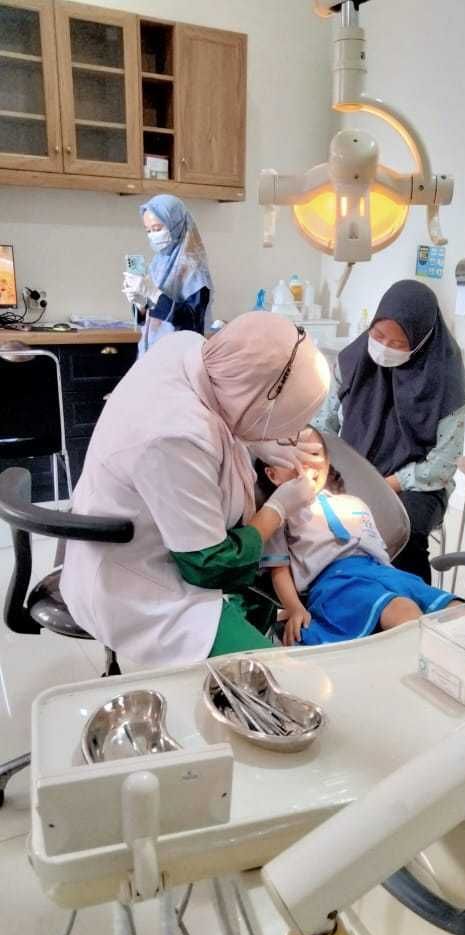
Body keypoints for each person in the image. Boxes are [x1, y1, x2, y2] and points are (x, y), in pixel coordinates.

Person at [60, 314, 330, 668]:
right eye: (285, 423)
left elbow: (228, 408)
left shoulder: (189, 348)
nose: (287, 436)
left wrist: (256, 440)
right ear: (260, 404)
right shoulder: (176, 435)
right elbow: (208, 566)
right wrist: (278, 509)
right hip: (140, 585)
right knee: (274, 678)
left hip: (144, 530)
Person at [314, 280, 465, 583]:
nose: (384, 347)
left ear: (421, 341)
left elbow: (441, 465)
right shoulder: (351, 362)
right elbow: (324, 425)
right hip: (354, 469)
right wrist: (319, 465)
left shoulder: (446, 383)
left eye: (398, 344)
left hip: (417, 485)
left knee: (402, 531)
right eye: (378, 335)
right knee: (318, 523)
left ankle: (413, 608)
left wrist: (381, 485)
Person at [257, 427, 457, 647]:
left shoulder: (354, 503)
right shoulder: (279, 514)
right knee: (403, 611)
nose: (305, 462)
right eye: (293, 455)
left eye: (313, 454)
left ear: (326, 462)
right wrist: (295, 608)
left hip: (383, 572)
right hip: (336, 582)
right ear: (272, 475)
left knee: (453, 609)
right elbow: (279, 570)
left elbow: (380, 551)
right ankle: (432, 666)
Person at [122, 194, 213, 355]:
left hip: (179, 357)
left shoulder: (194, 269)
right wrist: (141, 304)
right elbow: (150, 319)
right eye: (148, 230)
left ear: (175, 224)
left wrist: (154, 294)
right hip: (152, 354)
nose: (152, 235)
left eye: (157, 229)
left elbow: (192, 322)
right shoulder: (158, 263)